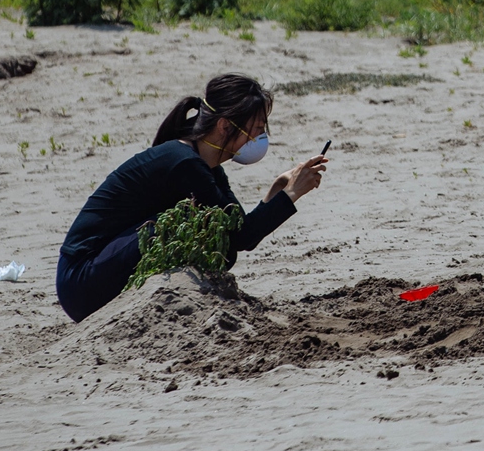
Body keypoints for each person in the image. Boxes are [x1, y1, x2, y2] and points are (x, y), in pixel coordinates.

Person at [55, 74, 326, 322]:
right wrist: (291, 194)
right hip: (80, 283)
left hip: (93, 274)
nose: (258, 137)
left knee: (217, 237)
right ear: (224, 126)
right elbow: (242, 236)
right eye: (255, 128)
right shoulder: (184, 164)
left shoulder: (206, 166)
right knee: (193, 224)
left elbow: (241, 232)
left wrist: (281, 186)